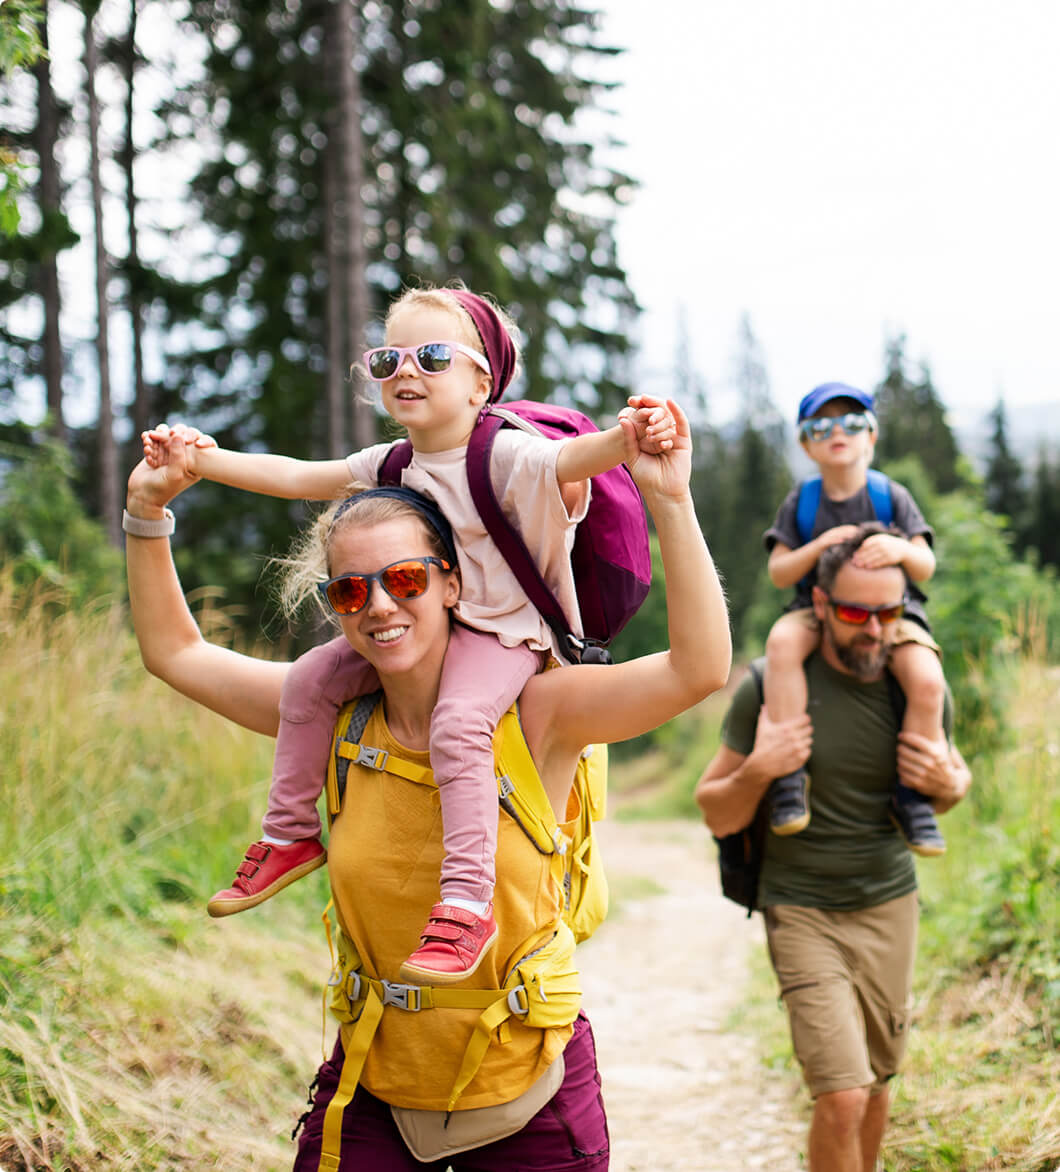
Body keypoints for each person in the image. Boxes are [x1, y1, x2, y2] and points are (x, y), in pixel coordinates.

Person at [124, 398, 730, 1171]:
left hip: (531, 1092)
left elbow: (698, 669)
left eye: (405, 578)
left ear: (453, 584)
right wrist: (147, 511)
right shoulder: (331, 720)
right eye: (349, 591)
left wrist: (669, 498)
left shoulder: (538, 712)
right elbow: (176, 654)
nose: (379, 605)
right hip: (374, 1084)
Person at [142, 284, 675, 984]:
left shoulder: (508, 455)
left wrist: (634, 437)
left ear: (482, 379)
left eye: (430, 356)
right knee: (308, 679)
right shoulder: (395, 465)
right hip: (441, 628)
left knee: (459, 723)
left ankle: (464, 903)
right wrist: (200, 462)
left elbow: (573, 462)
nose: (405, 373)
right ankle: (291, 835)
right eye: (387, 359)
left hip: (506, 638)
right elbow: (302, 478)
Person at [695, 523, 971, 1172]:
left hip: (888, 904)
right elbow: (716, 811)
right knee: (842, 1094)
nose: (873, 629)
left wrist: (950, 783)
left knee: (875, 1083)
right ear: (819, 607)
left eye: (888, 612)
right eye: (854, 612)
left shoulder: (916, 686)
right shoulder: (767, 688)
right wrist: (761, 768)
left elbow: (947, 790)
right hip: (801, 908)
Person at [760, 381, 947, 855]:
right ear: (805, 444)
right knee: (781, 646)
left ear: (872, 436)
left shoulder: (890, 496)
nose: (836, 433)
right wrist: (819, 547)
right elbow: (780, 572)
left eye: (852, 423)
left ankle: (913, 796)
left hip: (889, 613)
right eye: (820, 426)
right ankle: (788, 777)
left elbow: (925, 564)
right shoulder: (802, 501)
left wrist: (902, 548)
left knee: (926, 680)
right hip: (815, 608)